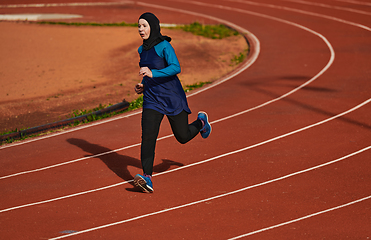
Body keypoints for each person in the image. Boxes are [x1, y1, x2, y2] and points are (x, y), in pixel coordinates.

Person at [133, 12, 211, 193]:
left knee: (182, 137)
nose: (141, 30)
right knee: (148, 137)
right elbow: (147, 73)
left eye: (144, 26)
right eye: (139, 26)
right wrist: (143, 86)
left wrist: (153, 74)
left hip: (172, 97)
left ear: (153, 26)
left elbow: (176, 67)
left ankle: (200, 123)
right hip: (152, 99)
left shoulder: (164, 46)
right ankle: (147, 177)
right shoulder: (141, 50)